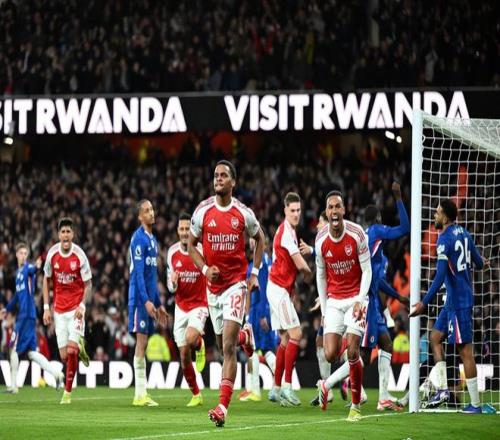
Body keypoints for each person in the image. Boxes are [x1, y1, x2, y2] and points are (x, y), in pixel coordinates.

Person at [189, 160, 265, 427]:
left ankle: (222, 407)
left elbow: (260, 239)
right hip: (213, 289)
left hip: (235, 285)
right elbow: (191, 245)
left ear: (233, 182)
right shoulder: (202, 211)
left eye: (223, 175)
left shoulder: (243, 214)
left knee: (229, 348)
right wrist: (204, 268)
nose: (218, 179)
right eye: (215, 175)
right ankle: (246, 335)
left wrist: (254, 273)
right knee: (223, 346)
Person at [410, 199, 488, 414]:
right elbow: (478, 262)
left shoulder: (444, 239)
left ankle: (475, 405)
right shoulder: (465, 233)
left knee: (465, 352)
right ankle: (443, 389)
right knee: (435, 337)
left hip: (459, 302)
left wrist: (424, 302)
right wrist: (481, 264)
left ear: (445, 217)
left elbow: (440, 275)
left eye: (437, 212)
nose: (435, 215)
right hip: (452, 302)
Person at [315, 191, 372, 422]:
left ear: (344, 210)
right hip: (334, 301)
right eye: (330, 207)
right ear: (327, 212)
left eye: (338, 206)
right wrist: (324, 310)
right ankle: (329, 382)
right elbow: (321, 275)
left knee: (353, 350)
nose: (334, 211)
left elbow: (367, 270)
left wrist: (360, 298)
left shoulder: (357, 234)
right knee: (329, 354)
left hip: (356, 299)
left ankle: (356, 406)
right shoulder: (320, 240)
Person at [267, 192, 312, 407]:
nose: (296, 214)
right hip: (278, 289)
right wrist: (310, 274)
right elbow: (300, 264)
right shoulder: (286, 232)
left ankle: (275, 389)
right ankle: (287, 385)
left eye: (298, 210)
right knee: (296, 334)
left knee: (285, 338)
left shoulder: (289, 231)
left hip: (279, 288)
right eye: (292, 210)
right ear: (285, 210)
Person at [0, 243, 64, 393]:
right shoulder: (18, 274)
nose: (23, 256)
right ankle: (57, 374)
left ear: (27, 256)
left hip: (25, 316)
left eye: (25, 253)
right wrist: (6, 309)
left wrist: (37, 266)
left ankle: (14, 386)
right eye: (21, 253)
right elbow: (17, 296)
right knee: (31, 353)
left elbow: (33, 269)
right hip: (28, 316)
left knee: (12, 347)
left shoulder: (28, 269)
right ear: (16, 254)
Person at [42, 218, 92, 404]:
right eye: (62, 232)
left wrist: (82, 305)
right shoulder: (52, 254)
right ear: (58, 234)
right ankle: (80, 347)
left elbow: (88, 284)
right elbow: (46, 281)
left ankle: (67, 393)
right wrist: (46, 308)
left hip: (76, 310)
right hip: (59, 311)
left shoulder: (80, 256)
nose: (65, 235)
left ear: (73, 234)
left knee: (71, 351)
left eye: (68, 232)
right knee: (64, 355)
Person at [128, 200, 168, 407]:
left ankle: (141, 393)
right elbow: (138, 276)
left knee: (143, 342)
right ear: (140, 217)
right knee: (141, 342)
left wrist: (158, 303)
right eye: (146, 211)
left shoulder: (153, 240)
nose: (151, 213)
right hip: (139, 300)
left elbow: (152, 278)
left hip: (149, 300)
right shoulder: (138, 239)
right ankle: (139, 394)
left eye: (152, 209)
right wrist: (145, 301)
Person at [167, 212, 208, 407]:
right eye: (181, 229)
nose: (184, 233)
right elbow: (170, 286)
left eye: (187, 229)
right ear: (177, 231)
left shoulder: (202, 250)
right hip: (181, 307)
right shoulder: (172, 253)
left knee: (191, 338)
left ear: (192, 230)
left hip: (199, 304)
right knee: (183, 355)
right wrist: (173, 284)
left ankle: (200, 345)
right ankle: (196, 394)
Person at [300, 211, 334, 406]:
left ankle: (352, 386)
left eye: (320, 222)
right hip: (329, 298)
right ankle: (327, 388)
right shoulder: (322, 242)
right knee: (321, 342)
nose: (317, 226)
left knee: (343, 346)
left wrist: (311, 251)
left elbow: (327, 256)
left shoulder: (331, 240)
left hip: (338, 300)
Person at [239, 237, 277, 403]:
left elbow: (262, 289)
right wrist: (247, 314)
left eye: (255, 240)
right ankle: (280, 384)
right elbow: (250, 290)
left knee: (253, 349)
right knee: (264, 349)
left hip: (260, 310)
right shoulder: (259, 262)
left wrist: (262, 314)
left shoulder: (261, 263)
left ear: (264, 244)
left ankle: (256, 390)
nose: (251, 243)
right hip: (257, 311)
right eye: (251, 240)